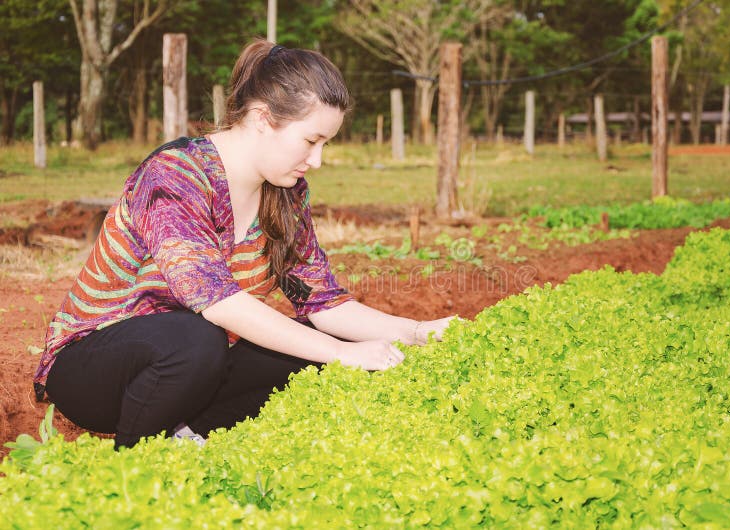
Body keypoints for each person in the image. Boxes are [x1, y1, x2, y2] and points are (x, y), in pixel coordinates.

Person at [33, 39, 453, 449]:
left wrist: (415, 334)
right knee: (199, 336)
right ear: (261, 119)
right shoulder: (175, 174)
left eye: (326, 144)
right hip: (94, 369)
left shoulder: (286, 193)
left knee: (305, 347)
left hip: (197, 366)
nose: (318, 160)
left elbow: (323, 303)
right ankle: (143, 454)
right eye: (311, 141)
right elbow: (217, 303)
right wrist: (341, 354)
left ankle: (188, 431)